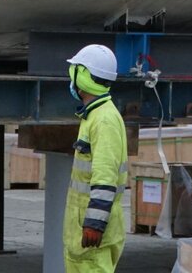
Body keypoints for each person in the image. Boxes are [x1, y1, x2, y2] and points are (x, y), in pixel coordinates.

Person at [64, 44, 129, 273]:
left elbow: (105, 176)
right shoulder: (94, 115)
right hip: (82, 236)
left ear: (82, 75)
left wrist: (94, 223)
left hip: (92, 236)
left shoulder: (104, 120)